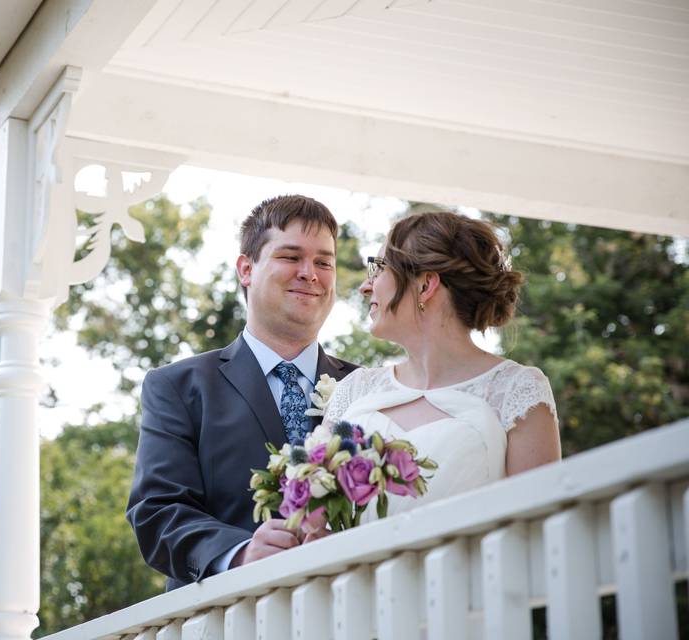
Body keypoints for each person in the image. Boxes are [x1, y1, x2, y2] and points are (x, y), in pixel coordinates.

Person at [126, 195, 359, 590]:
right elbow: (158, 512)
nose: (310, 273)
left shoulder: (367, 388)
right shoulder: (178, 387)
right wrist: (240, 552)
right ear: (246, 269)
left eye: (324, 262)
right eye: (290, 257)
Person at [324, 209, 561, 520]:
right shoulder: (354, 391)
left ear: (425, 286)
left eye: (379, 269)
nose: (366, 287)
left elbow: (537, 531)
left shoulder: (518, 392)